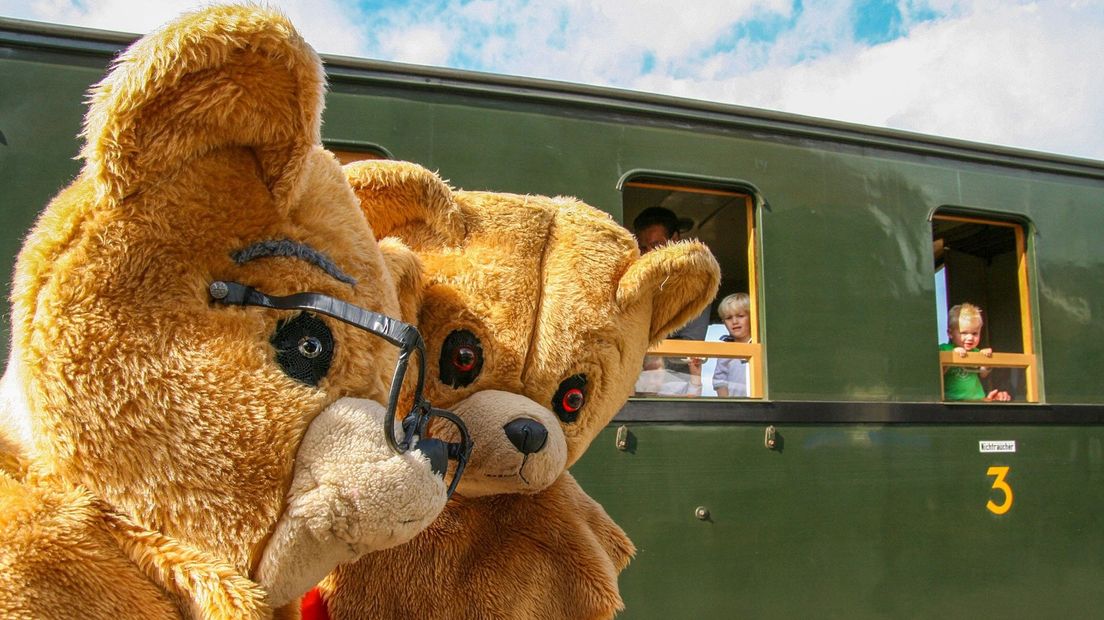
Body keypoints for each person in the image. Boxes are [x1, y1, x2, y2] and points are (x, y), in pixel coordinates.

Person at [632, 206, 708, 396]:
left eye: (656, 245)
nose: (649, 254)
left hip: (677, 389)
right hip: (637, 386)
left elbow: (690, 343)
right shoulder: (636, 283)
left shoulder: (697, 283)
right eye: (643, 248)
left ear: (675, 239)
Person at [940, 303, 1012, 401]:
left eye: (975, 333)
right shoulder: (944, 349)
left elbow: (983, 374)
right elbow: (938, 373)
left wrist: (986, 359)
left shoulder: (976, 351)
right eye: (964, 333)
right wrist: (952, 356)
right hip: (953, 401)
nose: (970, 338)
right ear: (950, 333)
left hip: (977, 399)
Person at [712, 293, 751, 397]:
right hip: (736, 407)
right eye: (729, 318)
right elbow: (720, 381)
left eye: (740, 316)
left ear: (752, 317)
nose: (734, 321)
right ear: (723, 322)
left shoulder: (760, 345)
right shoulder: (726, 349)